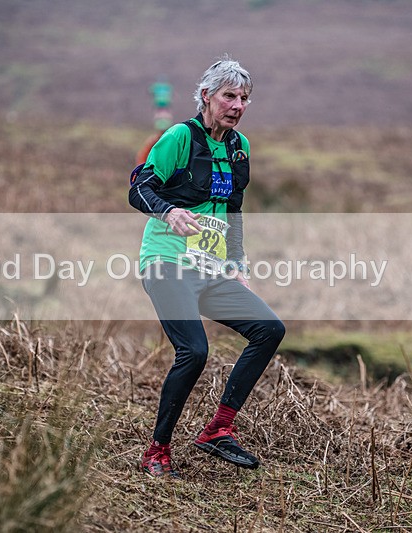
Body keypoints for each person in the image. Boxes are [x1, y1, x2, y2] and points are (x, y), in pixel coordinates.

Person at [129, 56, 285, 477]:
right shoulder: (180, 137)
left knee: (270, 329)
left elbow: (234, 210)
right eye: (229, 96)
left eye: (245, 98)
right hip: (166, 261)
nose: (237, 105)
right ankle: (157, 451)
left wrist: (237, 264)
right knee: (195, 350)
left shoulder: (240, 147)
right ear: (206, 97)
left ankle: (218, 429)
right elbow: (139, 188)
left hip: (210, 266)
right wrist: (168, 212)